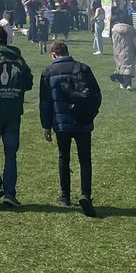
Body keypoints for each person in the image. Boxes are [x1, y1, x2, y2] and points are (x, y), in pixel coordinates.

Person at [40, 41, 102, 216]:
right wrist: (91, 114)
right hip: (83, 121)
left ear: (53, 54)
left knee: (63, 157)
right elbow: (97, 95)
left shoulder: (48, 72)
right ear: (67, 52)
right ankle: (85, 194)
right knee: (85, 159)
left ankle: (65, 196)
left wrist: (46, 126)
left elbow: (45, 103)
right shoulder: (83, 68)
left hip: (61, 122)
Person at [0, 24, 32, 206]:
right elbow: (29, 82)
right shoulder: (19, 58)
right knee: (11, 152)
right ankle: (10, 192)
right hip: (14, 110)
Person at [109, 7, 135, 90]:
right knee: (128, 65)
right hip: (129, 48)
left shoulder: (114, 29)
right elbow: (134, 40)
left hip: (117, 49)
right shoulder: (131, 30)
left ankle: (122, 82)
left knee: (119, 65)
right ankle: (128, 84)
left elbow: (113, 39)